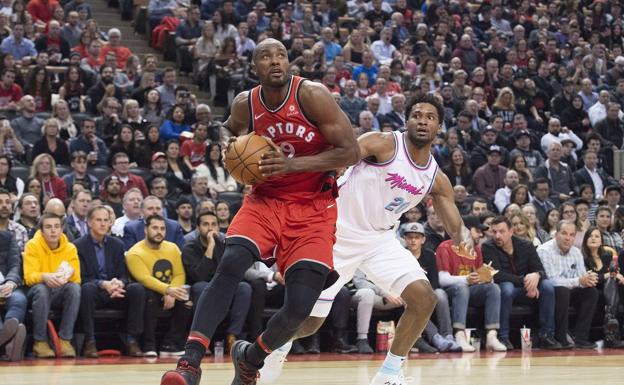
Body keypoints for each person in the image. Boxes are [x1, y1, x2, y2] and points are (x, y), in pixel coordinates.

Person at [160, 38, 359, 385]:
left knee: (300, 306)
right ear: (255, 68)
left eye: (281, 54)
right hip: (265, 199)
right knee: (230, 264)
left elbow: (351, 151)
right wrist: (227, 145)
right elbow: (227, 129)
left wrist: (292, 165)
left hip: (313, 206)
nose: (275, 61)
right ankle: (189, 363)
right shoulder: (245, 104)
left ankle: (250, 358)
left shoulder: (311, 95)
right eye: (266, 57)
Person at [258, 94, 476, 383]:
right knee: (309, 322)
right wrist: (294, 166)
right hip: (335, 234)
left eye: (430, 117)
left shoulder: (435, 178)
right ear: (407, 121)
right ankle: (271, 348)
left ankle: (388, 373)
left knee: (424, 298)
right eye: (417, 115)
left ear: (439, 128)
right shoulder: (382, 143)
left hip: (380, 241)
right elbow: (341, 155)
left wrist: (464, 237)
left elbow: (454, 224)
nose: (422, 120)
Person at [76, 206, 145, 358]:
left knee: (137, 289)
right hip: (95, 293)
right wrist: (103, 284)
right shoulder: (78, 245)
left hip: (116, 291)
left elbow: (124, 275)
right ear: (89, 222)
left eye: (106, 220)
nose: (102, 224)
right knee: (87, 288)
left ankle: (132, 341)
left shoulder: (117, 244)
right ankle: (90, 342)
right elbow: (82, 278)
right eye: (98, 220)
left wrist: (119, 283)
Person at [483, 216, 561, 350]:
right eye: (494, 232)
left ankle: (547, 335)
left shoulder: (526, 245)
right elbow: (497, 274)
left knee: (547, 286)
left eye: (501, 231)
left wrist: (536, 276)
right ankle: (503, 337)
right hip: (510, 289)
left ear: (511, 231)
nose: (497, 236)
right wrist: (528, 281)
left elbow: (540, 270)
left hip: (527, 290)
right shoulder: (488, 247)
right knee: (506, 288)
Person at [181, 208, 251, 353]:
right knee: (201, 286)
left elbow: (233, 271)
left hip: (222, 285)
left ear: (219, 228)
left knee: (244, 287)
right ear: (198, 227)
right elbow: (199, 276)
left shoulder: (226, 246)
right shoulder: (190, 247)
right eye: (206, 224)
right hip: (201, 286)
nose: (210, 228)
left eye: (214, 224)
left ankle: (232, 336)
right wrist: (210, 247)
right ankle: (202, 339)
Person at [436, 215, 507, 352]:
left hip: (470, 290)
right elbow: (442, 279)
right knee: (462, 288)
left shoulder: (477, 250)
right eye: (478, 231)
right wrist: (466, 279)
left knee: (493, 288)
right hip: (450, 292)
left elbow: (478, 276)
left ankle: (492, 336)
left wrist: (486, 277)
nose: (481, 235)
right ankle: (459, 334)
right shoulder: (445, 247)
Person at [126, 214, 192, 357]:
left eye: (162, 228)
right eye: (155, 228)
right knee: (149, 296)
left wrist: (173, 293)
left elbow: (179, 274)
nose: (159, 231)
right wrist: (168, 290)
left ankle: (171, 344)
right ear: (145, 230)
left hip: (170, 290)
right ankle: (149, 344)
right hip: (150, 291)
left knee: (186, 299)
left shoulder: (173, 248)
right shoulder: (135, 252)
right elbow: (144, 278)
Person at [23, 213, 81, 358]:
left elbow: (77, 278)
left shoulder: (70, 248)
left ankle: (65, 340)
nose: (53, 231)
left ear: (62, 230)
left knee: (74, 288)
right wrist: (44, 276)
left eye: (56, 227)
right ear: (41, 231)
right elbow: (29, 277)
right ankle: (40, 342)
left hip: (60, 289)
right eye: (48, 227)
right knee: (42, 290)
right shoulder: (33, 245)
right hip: (37, 291)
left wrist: (65, 276)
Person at [537, 220, 600, 349]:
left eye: (572, 235)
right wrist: (579, 281)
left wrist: (589, 279)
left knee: (591, 292)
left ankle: (580, 337)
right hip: (550, 293)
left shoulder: (576, 252)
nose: (568, 238)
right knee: (562, 290)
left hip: (570, 290)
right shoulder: (544, 250)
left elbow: (582, 277)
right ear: (556, 234)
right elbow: (551, 280)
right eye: (564, 233)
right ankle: (561, 337)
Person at [0, 230, 26, 361]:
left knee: (19, 299)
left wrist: (10, 282)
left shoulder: (7, 237)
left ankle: (10, 329)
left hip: (5, 284)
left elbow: (15, 265)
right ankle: (9, 341)